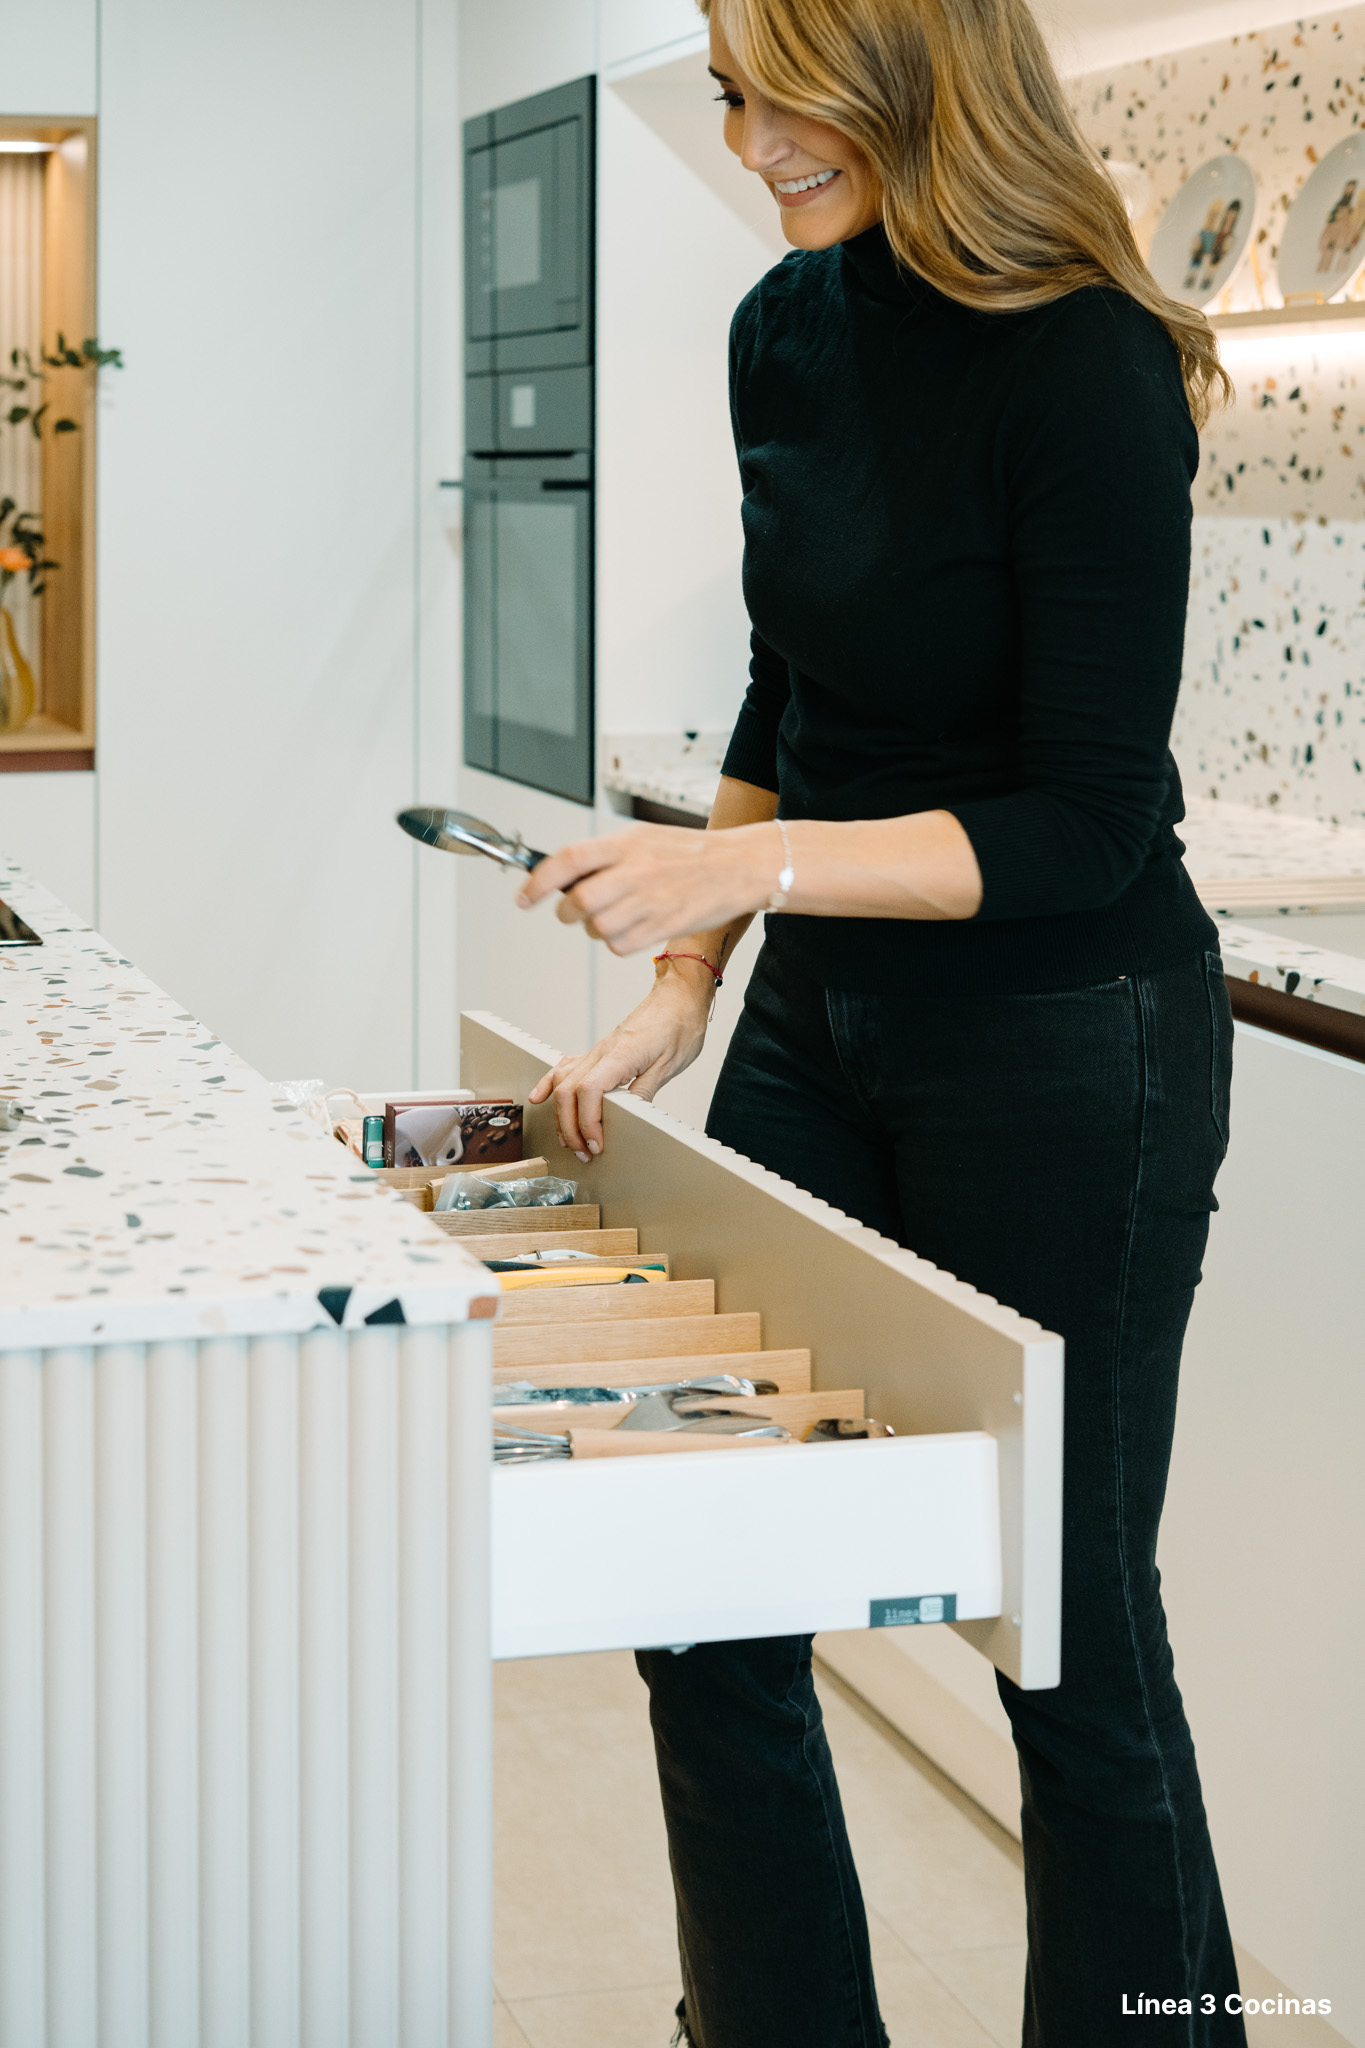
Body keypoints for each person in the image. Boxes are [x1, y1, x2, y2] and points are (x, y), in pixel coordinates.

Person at [519, 1, 1242, 2041]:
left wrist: (736, 883)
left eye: (784, 93)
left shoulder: (1086, 360)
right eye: (731, 96)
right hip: (820, 1022)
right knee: (707, 1597)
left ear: (914, 66)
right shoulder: (782, 328)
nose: (750, 140)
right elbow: (791, 685)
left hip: (1068, 1040)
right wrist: (683, 985)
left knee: (1064, 1628)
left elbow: (1084, 822)